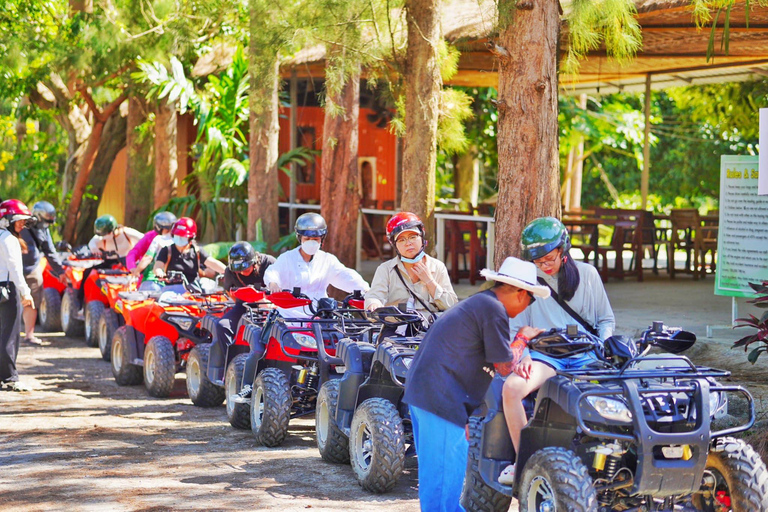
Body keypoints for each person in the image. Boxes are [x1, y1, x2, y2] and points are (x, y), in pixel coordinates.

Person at [402, 257, 550, 512]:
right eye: (530, 299)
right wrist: (523, 337)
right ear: (520, 293)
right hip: (440, 400)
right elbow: (504, 366)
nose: (527, 306)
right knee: (441, 494)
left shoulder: (481, 304)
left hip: (431, 396)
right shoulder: (493, 309)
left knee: (440, 484)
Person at [497, 217, 616, 485]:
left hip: (585, 354)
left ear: (563, 250)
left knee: (618, 394)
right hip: (545, 354)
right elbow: (515, 327)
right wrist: (524, 356)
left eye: (549, 258)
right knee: (512, 389)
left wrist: (604, 344)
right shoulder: (526, 281)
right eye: (538, 262)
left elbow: (606, 320)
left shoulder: (587, 275)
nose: (544, 266)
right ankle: (523, 462)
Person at [263, 212, 369, 306]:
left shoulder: (327, 260)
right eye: (307, 239)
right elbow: (273, 271)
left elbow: (346, 275)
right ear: (300, 238)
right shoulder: (287, 258)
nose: (311, 242)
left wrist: (366, 290)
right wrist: (273, 283)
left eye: (315, 239)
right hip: (289, 318)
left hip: (319, 317)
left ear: (321, 239)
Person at [364, 211, 457, 319]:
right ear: (394, 245)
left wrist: (429, 281)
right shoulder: (385, 269)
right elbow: (374, 296)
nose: (408, 243)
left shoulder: (437, 267)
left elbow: (452, 306)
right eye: (401, 240)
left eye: (413, 237)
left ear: (422, 238)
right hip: (396, 327)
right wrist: (374, 304)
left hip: (430, 329)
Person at [210, 242, 275, 387]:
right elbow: (230, 293)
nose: (242, 273)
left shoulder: (269, 263)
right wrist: (247, 299)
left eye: (245, 269)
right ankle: (228, 368)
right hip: (244, 305)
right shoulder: (230, 271)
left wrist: (265, 302)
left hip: (271, 306)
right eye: (238, 271)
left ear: (253, 261)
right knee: (222, 325)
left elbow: (283, 285)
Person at [0, 199, 36, 391]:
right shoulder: (9, 239)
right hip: (8, 289)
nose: (22, 224)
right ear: (7, 220)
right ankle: (9, 378)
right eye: (18, 220)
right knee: (10, 334)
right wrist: (26, 292)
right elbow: (15, 269)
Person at [20, 201, 65, 345]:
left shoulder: (43, 230)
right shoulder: (19, 224)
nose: (47, 226)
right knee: (8, 301)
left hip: (32, 269)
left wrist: (60, 271)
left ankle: (29, 335)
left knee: (33, 301)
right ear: (38, 217)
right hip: (12, 269)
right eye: (46, 222)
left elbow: (50, 251)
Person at [153, 217, 226, 291]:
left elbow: (212, 263)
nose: (179, 238)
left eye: (183, 236)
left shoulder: (197, 251)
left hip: (193, 291)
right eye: (177, 235)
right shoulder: (167, 250)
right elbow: (158, 266)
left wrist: (227, 271)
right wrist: (159, 272)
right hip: (171, 291)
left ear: (190, 238)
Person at [127, 212, 177, 290]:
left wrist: (136, 272)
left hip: (154, 281)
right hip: (175, 283)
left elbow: (147, 258)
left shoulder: (159, 239)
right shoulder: (181, 242)